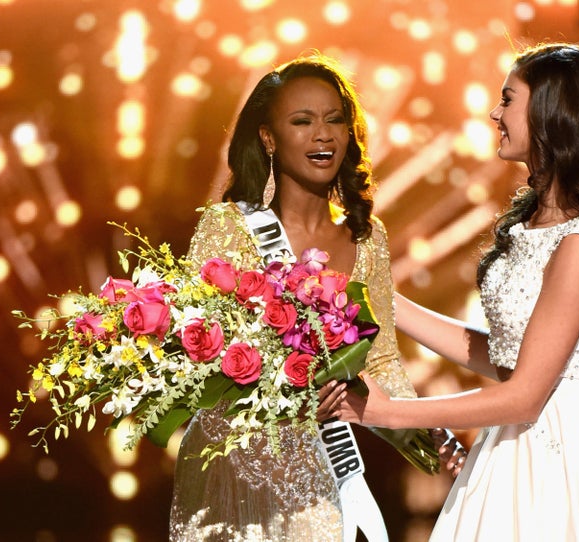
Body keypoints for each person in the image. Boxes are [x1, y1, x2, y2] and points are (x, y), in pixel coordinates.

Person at [336, 42, 579, 540]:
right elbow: (505, 357)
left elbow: (524, 396)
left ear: (551, 114)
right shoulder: (536, 225)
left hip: (562, 456)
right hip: (515, 442)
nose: (495, 113)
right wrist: (381, 303)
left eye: (508, 99)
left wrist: (388, 413)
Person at [168, 52, 444, 541]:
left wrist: (431, 433)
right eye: (303, 121)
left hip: (324, 476)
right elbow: (193, 362)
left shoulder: (367, 237)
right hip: (234, 471)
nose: (323, 134)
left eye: (335, 120)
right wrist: (283, 403)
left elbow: (380, 363)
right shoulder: (229, 229)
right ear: (268, 138)